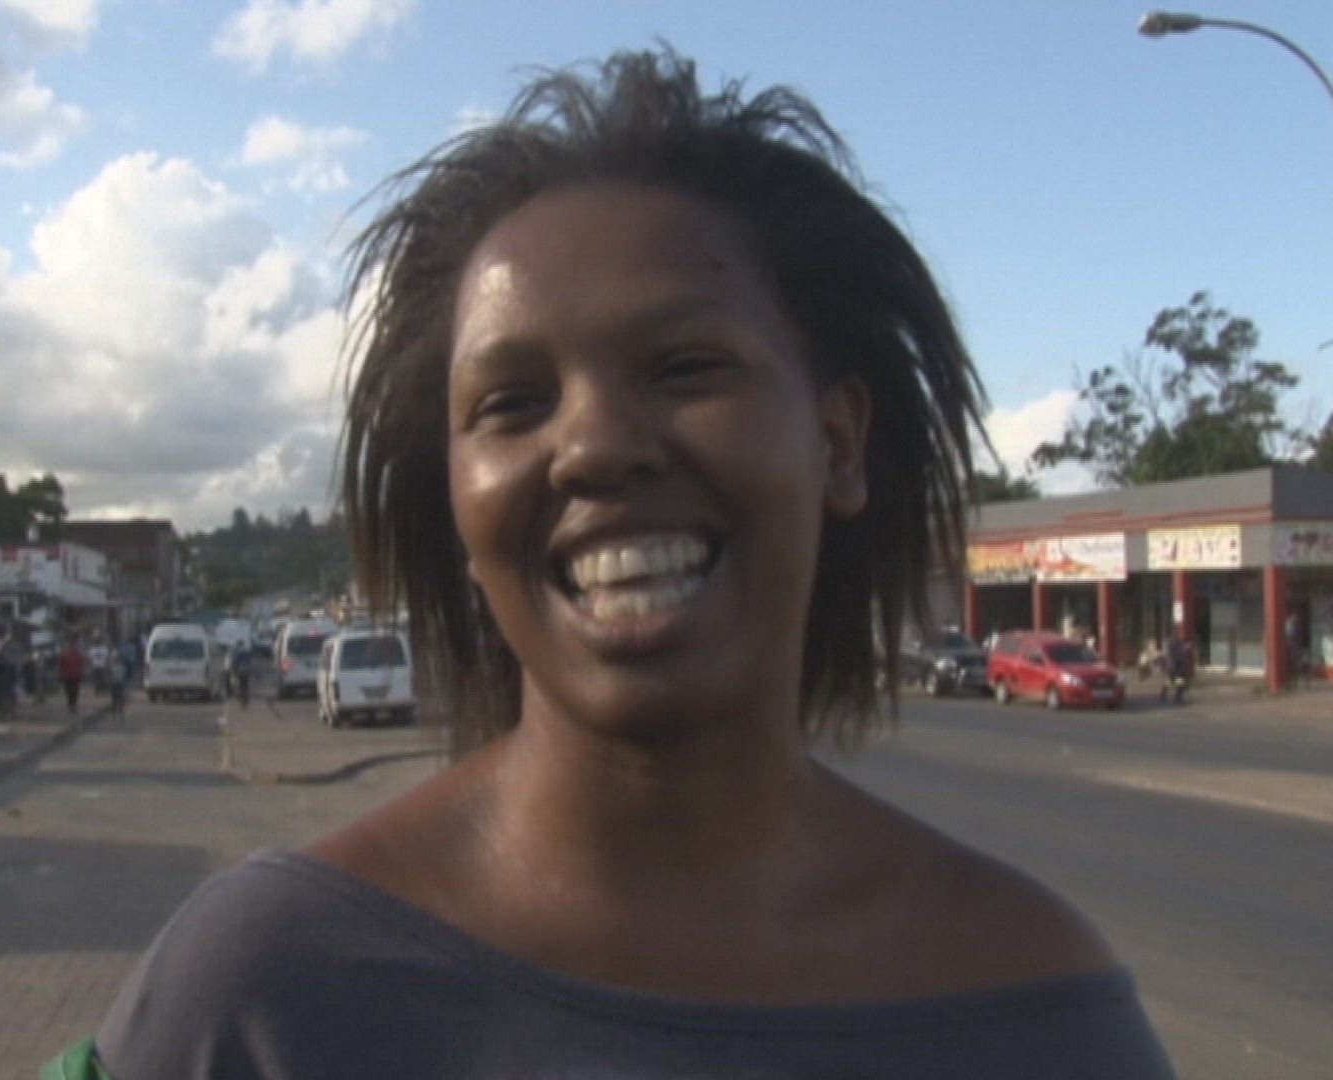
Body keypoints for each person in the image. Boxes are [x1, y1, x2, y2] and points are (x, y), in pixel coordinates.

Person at [70, 48, 1172, 1078]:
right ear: (456, 502)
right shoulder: (265, 993)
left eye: (686, 367)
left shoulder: (1040, 1008)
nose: (594, 447)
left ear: (836, 442)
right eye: (514, 403)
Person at [57, 639, 86, 714]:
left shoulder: (74, 655)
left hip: (72, 675)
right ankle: (72, 704)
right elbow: (61, 665)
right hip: (70, 675)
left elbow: (81, 664)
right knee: (71, 691)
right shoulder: (69, 655)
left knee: (72, 690)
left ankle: (72, 705)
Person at [225, 637, 252, 709]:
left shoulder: (237, 652)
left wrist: (233, 670)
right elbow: (249, 662)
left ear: (238, 644)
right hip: (246, 671)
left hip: (240, 671)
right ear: (243, 644)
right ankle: (245, 700)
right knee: (245, 686)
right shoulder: (247, 652)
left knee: (241, 685)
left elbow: (235, 662)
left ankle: (242, 701)